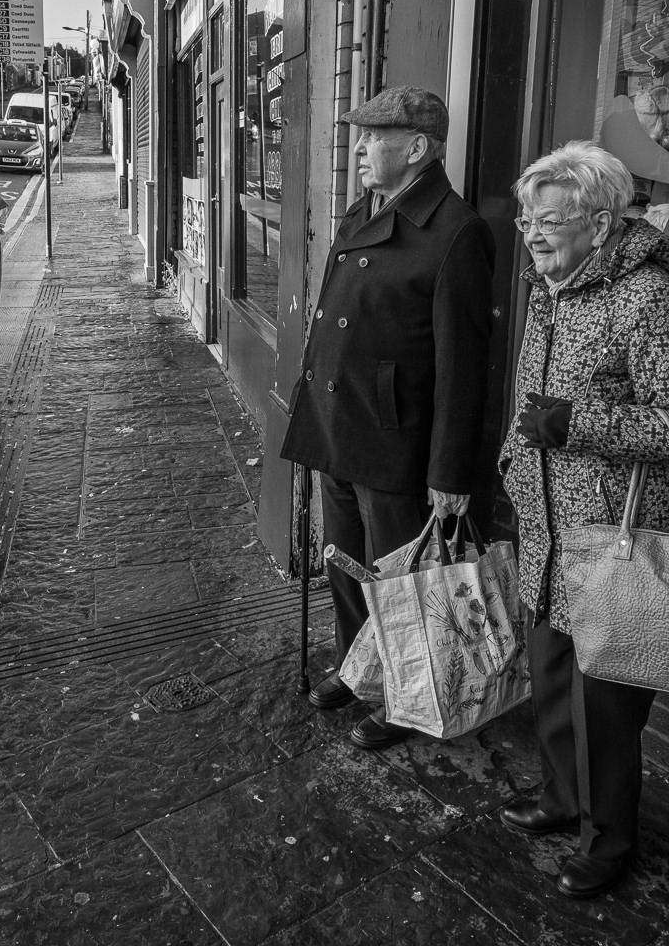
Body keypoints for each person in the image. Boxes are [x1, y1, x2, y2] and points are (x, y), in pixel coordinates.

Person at [281, 85, 495, 749]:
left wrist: (449, 472)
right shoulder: (363, 212)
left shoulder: (456, 231)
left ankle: (408, 696)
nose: (361, 148)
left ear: (418, 147)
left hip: (396, 438)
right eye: (363, 135)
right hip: (339, 423)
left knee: (400, 581)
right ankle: (359, 670)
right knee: (345, 566)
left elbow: (464, 366)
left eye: (375, 137)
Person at [499, 140, 669, 900]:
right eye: (526, 219)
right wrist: (511, 460)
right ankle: (563, 798)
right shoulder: (551, 284)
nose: (532, 235)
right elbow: (530, 395)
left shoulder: (647, 296)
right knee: (551, 675)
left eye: (550, 221)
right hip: (546, 525)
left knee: (606, 705)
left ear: (600, 224)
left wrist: (579, 423)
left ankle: (609, 841)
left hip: (609, 538)